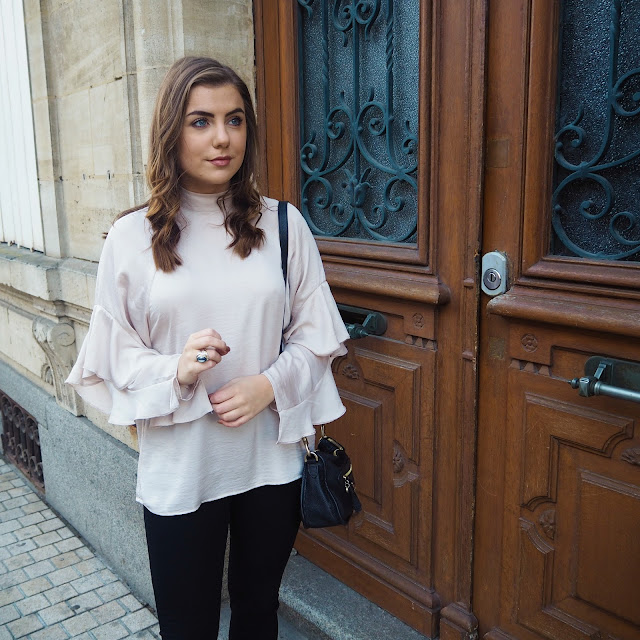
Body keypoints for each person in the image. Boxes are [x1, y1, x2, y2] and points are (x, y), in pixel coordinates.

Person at [66, 56, 349, 640]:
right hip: (181, 468)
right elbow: (113, 355)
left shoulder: (285, 226)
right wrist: (177, 368)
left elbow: (316, 337)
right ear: (171, 132)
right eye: (201, 121)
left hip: (270, 461)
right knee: (186, 625)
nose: (223, 138)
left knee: (257, 613)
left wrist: (267, 385)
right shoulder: (132, 237)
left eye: (235, 119)